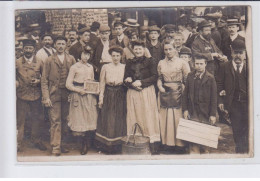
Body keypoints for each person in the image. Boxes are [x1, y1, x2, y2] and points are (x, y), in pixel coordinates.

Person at [41, 36, 76, 156]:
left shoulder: (71, 59)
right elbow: (44, 80)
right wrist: (46, 97)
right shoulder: (49, 60)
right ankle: (56, 146)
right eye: (58, 43)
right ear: (54, 45)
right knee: (55, 120)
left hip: (67, 94)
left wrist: (73, 93)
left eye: (63, 44)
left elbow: (75, 78)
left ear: (66, 45)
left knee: (66, 120)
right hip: (54, 94)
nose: (61, 46)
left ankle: (63, 144)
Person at [124, 40, 160, 154]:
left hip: (146, 92)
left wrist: (141, 83)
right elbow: (126, 78)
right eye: (136, 49)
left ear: (144, 50)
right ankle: (136, 143)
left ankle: (151, 145)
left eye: (140, 49)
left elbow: (155, 76)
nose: (138, 51)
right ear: (133, 50)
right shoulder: (129, 62)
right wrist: (130, 82)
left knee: (147, 116)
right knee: (135, 115)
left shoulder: (150, 61)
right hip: (133, 93)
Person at [157, 41, 190, 153]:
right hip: (165, 93)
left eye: (170, 49)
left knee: (177, 118)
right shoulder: (161, 63)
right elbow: (159, 78)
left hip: (178, 94)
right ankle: (167, 144)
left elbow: (187, 79)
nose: (168, 52)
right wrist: (160, 87)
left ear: (175, 49)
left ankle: (180, 145)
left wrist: (183, 90)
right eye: (166, 49)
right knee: (165, 118)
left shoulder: (182, 63)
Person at [217, 40, 248, 153]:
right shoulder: (224, 66)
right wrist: (220, 101)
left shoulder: (250, 67)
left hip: (248, 104)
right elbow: (219, 85)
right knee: (237, 130)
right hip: (233, 105)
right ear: (231, 52)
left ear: (245, 53)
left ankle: (245, 151)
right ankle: (240, 152)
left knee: (248, 130)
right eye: (236, 52)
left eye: (240, 53)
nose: (238, 56)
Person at [182, 54, 218, 154]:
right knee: (194, 142)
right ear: (193, 64)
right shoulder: (190, 76)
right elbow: (185, 95)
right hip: (193, 112)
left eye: (201, 64)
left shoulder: (210, 78)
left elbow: (214, 98)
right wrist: (185, 110)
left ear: (205, 64)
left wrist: (212, 114)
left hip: (206, 114)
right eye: (197, 64)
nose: (199, 66)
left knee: (206, 143)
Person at [66, 46, 98, 155]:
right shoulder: (74, 67)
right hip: (78, 95)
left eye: (88, 55)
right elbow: (68, 84)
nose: (86, 56)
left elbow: (92, 81)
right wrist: (78, 90)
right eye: (84, 54)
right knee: (80, 119)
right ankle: (82, 145)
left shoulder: (90, 67)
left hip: (89, 95)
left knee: (90, 118)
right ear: (80, 55)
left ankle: (88, 143)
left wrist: (93, 88)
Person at [16, 39, 47, 152]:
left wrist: (38, 81)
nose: (28, 50)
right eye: (26, 48)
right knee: (20, 120)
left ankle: (36, 140)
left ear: (34, 49)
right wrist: (16, 82)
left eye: (30, 48)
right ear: (23, 49)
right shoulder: (17, 62)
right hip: (22, 95)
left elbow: (44, 78)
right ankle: (18, 143)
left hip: (35, 95)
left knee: (36, 119)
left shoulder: (39, 61)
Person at [95, 46, 127, 154]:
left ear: (121, 56)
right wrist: (101, 98)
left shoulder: (124, 67)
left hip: (120, 93)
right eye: (113, 56)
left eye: (118, 56)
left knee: (119, 118)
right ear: (110, 56)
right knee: (108, 118)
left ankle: (117, 146)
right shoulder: (106, 67)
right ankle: (107, 146)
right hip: (109, 93)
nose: (116, 58)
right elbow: (102, 83)